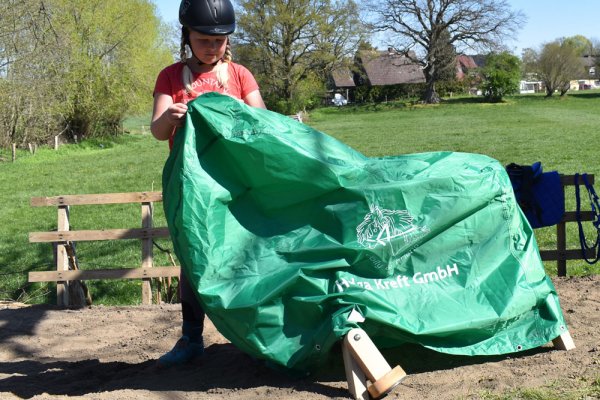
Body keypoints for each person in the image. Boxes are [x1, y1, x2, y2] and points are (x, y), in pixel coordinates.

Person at [151, 0, 266, 368]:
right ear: (187, 36)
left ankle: (260, 337)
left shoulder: (240, 76)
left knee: (250, 252)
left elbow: (262, 121)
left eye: (219, 40)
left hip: (237, 180)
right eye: (204, 39)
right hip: (192, 184)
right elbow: (157, 131)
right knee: (193, 257)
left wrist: (238, 113)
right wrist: (170, 116)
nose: (212, 46)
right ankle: (191, 338)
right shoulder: (170, 77)